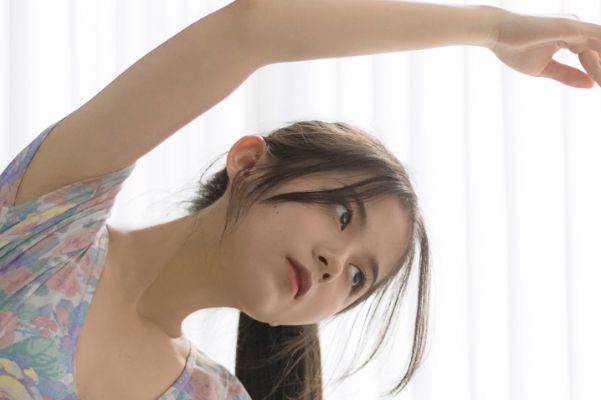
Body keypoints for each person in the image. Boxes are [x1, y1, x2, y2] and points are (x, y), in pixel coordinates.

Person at [0, 1, 599, 399]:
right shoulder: (50, 223)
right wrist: (493, 28)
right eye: (342, 215)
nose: (337, 265)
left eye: (359, 277)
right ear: (247, 163)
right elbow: (252, 28)